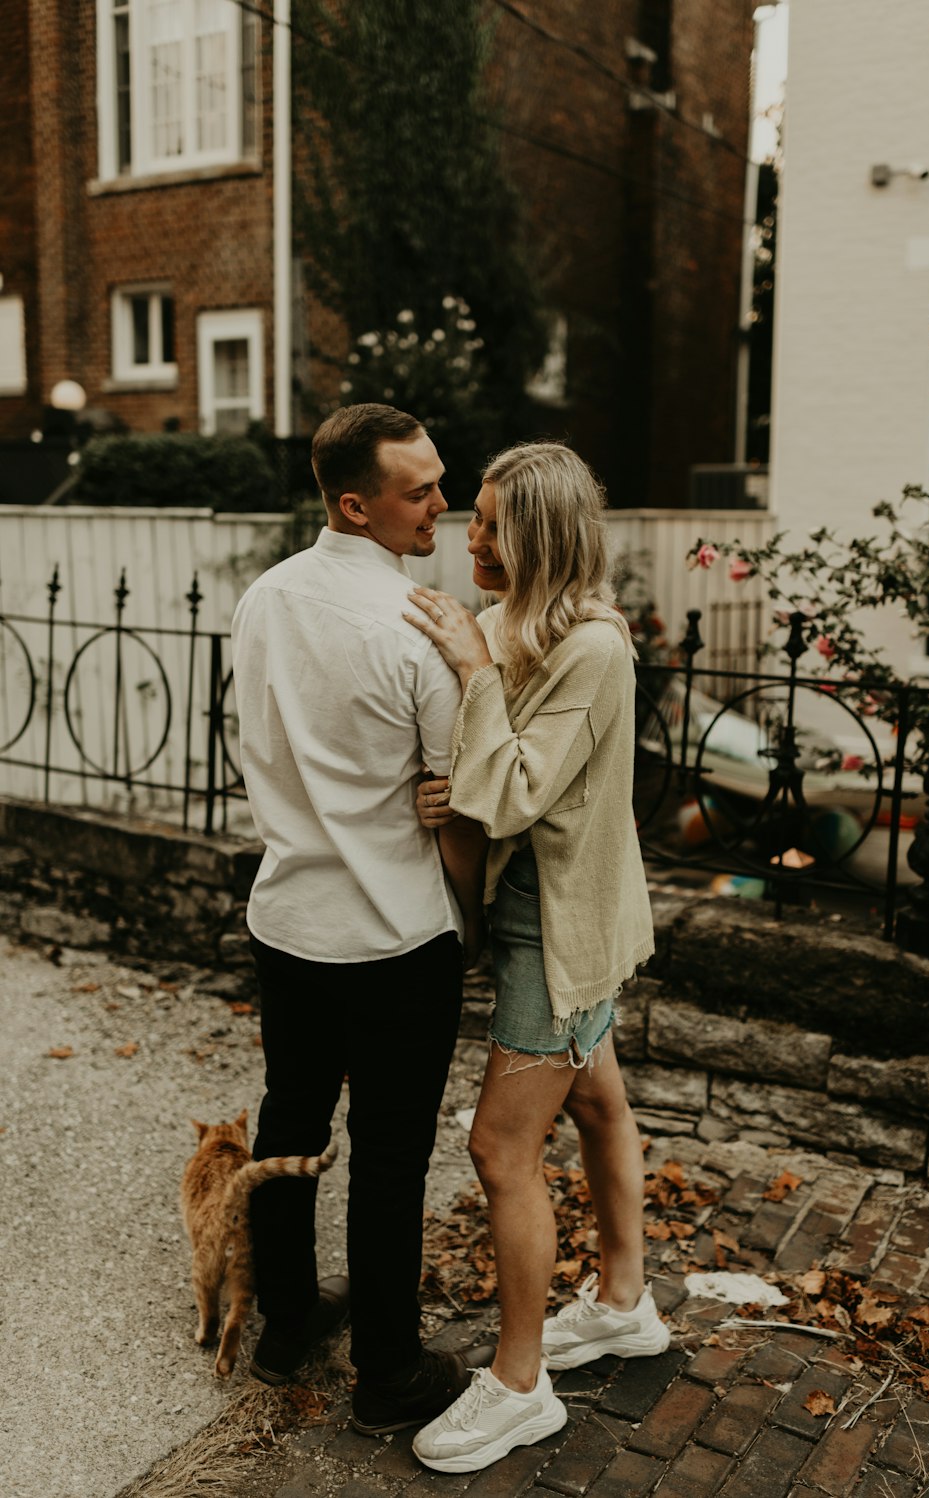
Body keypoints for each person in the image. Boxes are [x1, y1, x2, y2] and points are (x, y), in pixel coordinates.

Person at [400, 441, 666, 1474]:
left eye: (490, 522)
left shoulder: (594, 651)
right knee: (600, 1105)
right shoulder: (526, 626)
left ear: (541, 538)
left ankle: (518, 1387)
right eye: (470, 515)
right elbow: (496, 766)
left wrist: (470, 677)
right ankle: (622, 1304)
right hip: (560, 915)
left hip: (553, 934)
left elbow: (509, 792)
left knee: (500, 1150)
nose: (469, 536)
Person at [231, 403, 488, 1432]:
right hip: (391, 936)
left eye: (437, 479)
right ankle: (388, 1374)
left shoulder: (263, 598)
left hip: (288, 918)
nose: (440, 502)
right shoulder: (416, 628)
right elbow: (457, 792)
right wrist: (469, 921)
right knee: (388, 1155)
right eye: (418, 490)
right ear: (355, 503)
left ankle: (286, 1321)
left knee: (290, 1119)